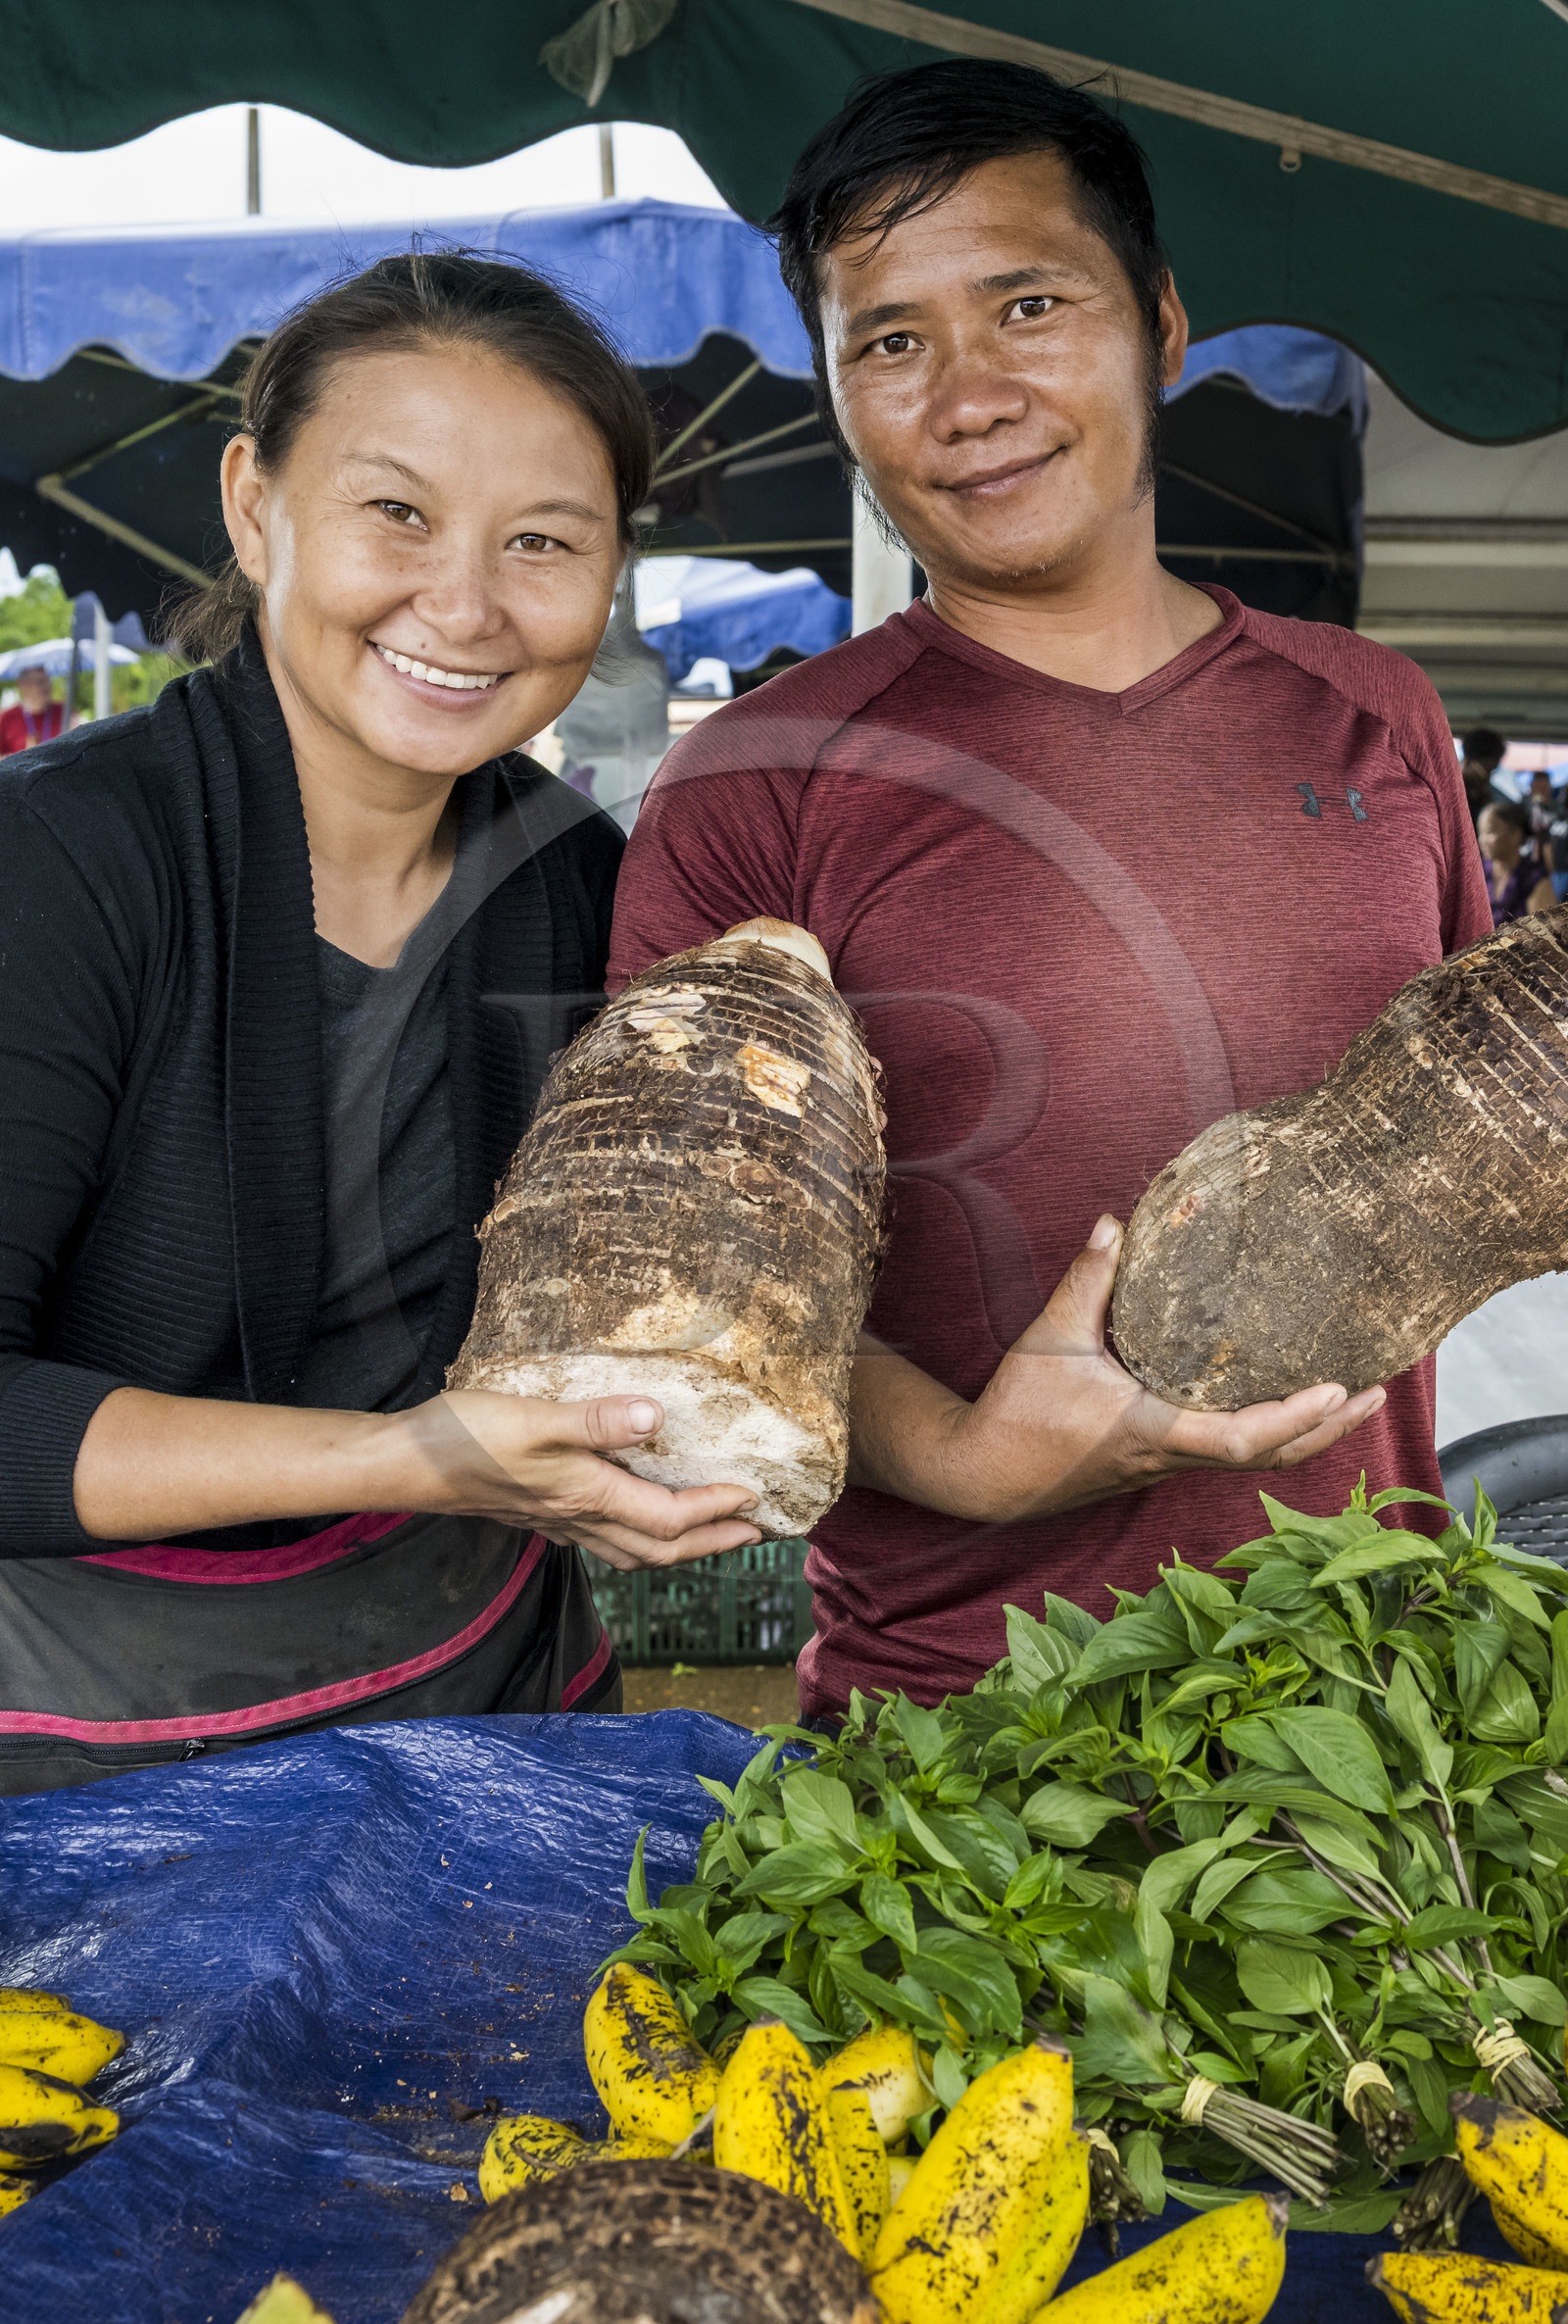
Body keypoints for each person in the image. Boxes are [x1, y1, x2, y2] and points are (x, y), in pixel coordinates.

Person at [609, 61, 1492, 1722]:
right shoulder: (754, 779)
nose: (968, 394)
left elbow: (1477, 1151)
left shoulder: (1382, 715)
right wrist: (965, 1456)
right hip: (955, 1740)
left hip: (1375, 1711)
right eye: (890, 340)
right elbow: (697, 1287)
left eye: (1028, 304)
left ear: (1159, 325)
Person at [0, 252, 759, 1796]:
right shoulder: (62, 865)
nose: (465, 605)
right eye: (395, 513)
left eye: (543, 541)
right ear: (254, 502)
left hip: (479, 1706)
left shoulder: (581, 886)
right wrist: (422, 1460)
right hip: (84, 1764)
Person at [1478, 799, 1554, 923]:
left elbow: (1545, 933)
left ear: (1515, 834)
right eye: (1481, 832)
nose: (1482, 840)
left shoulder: (1535, 878)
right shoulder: (1479, 870)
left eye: (1490, 831)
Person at [0, 663, 65, 755]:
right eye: (40, 682)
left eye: (47, 681)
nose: (46, 687)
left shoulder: (64, 711)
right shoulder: (8, 717)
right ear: (23, 685)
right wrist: (23, 756)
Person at [1460, 727, 1506, 828]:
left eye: (1492, 771)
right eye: (1486, 770)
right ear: (1469, 761)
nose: (1488, 777)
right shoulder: (1447, 794)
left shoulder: (1484, 798)